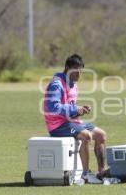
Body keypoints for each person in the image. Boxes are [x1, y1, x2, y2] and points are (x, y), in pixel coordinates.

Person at [43, 54, 107, 183]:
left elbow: (70, 108)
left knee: (101, 135)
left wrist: (80, 110)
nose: (79, 74)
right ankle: (86, 174)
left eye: (81, 71)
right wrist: (75, 109)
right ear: (67, 68)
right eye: (76, 71)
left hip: (71, 122)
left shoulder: (73, 85)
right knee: (87, 136)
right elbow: (53, 108)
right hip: (58, 126)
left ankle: (102, 172)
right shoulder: (57, 84)